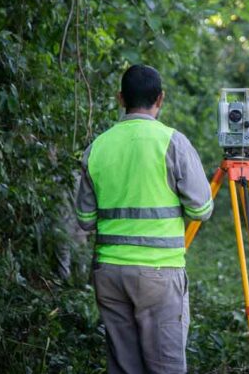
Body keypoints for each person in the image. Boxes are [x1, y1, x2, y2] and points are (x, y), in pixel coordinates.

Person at [75, 65, 213, 374]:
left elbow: (84, 219)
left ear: (120, 99)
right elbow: (202, 209)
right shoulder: (172, 142)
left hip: (109, 274)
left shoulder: (97, 147)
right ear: (160, 99)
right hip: (159, 276)